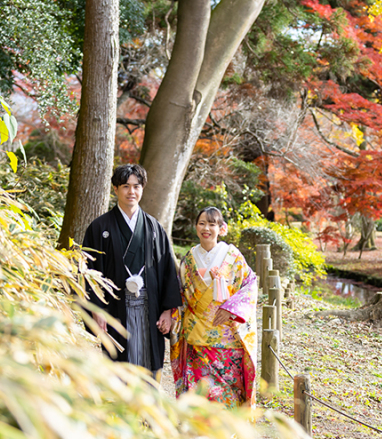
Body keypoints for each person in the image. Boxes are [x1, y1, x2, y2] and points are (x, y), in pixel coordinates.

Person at [82, 164, 181, 379]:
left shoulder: (154, 228)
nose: (131, 192)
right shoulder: (99, 228)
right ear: (115, 189)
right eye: (125, 186)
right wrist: (96, 309)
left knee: (149, 364)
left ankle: (148, 410)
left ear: (142, 189)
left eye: (136, 186)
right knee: (117, 363)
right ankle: (121, 409)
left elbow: (167, 271)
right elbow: (89, 272)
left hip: (150, 309)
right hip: (115, 308)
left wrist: (167, 310)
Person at [171, 206, 258, 407]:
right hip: (196, 336)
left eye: (212, 224)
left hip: (227, 336)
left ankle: (225, 435)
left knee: (227, 391)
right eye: (202, 223)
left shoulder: (233, 256)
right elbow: (181, 293)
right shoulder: (189, 259)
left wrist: (231, 309)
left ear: (221, 228)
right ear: (196, 227)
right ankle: (200, 432)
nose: (206, 228)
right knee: (199, 391)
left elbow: (250, 284)